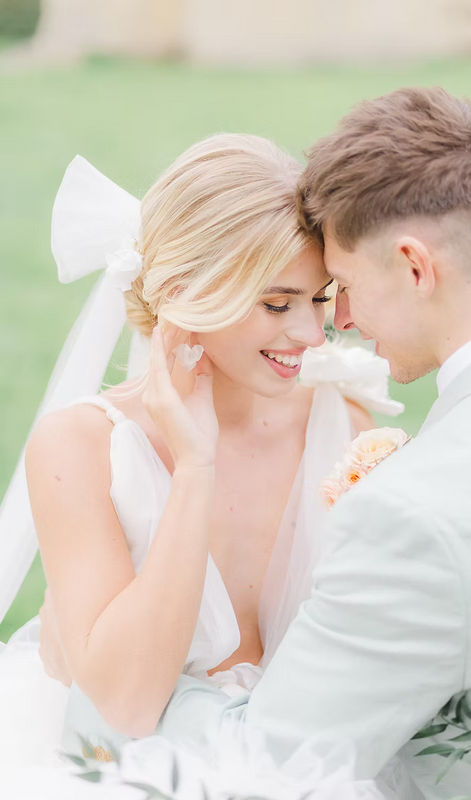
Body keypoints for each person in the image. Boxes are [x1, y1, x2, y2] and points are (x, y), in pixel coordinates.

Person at [108, 88, 471, 800]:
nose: (331, 321)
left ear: (414, 266)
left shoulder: (416, 516)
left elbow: (272, 763)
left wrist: (100, 696)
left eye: (337, 284)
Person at [0, 134, 401, 772]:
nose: (309, 333)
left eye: (320, 298)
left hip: (300, 762)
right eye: (276, 304)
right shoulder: (82, 448)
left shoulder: (343, 425)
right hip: (124, 766)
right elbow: (127, 706)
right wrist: (194, 468)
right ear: (188, 294)